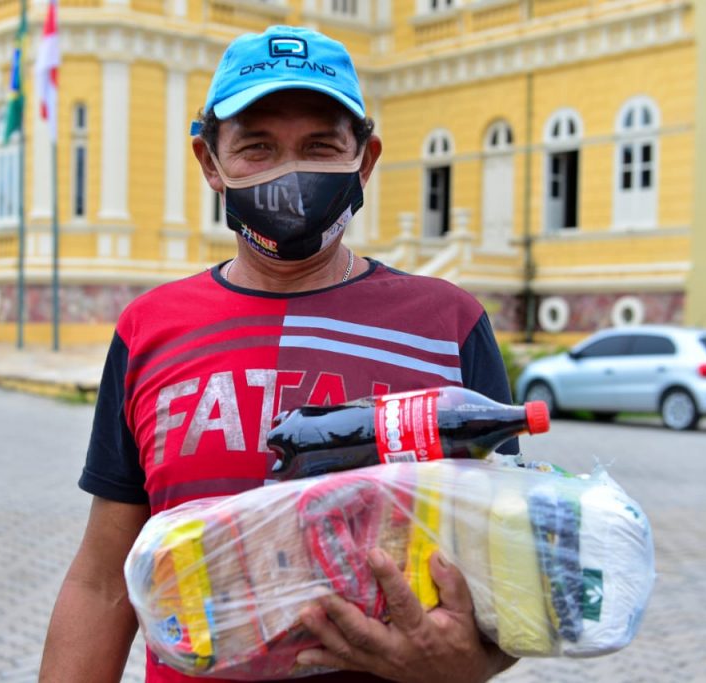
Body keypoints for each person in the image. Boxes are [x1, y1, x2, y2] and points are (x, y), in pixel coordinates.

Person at [40, 25, 518, 683]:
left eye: (320, 147)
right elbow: (102, 581)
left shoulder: (449, 325)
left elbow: (512, 572)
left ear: (366, 159)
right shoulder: (150, 331)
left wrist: (469, 662)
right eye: (256, 148)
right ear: (210, 162)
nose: (289, 173)